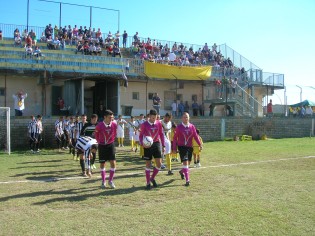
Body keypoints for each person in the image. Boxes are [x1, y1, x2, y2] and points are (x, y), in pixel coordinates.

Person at [172, 112, 202, 186]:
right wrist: (174, 148)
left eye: (187, 117)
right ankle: (187, 180)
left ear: (189, 118)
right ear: (182, 118)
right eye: (184, 117)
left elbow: (195, 136)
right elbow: (175, 138)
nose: (186, 118)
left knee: (188, 163)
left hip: (189, 147)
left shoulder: (192, 126)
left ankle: (182, 172)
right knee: (185, 162)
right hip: (182, 147)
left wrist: (200, 144)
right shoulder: (179, 127)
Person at [139, 109, 165, 190]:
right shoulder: (144, 125)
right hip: (147, 146)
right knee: (148, 164)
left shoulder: (159, 123)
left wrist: (163, 145)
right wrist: (142, 144)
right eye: (153, 117)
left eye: (155, 117)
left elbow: (161, 134)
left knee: (159, 164)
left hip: (156, 144)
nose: (154, 119)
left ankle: (152, 178)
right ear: (149, 116)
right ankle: (147, 183)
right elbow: (140, 136)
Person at [95, 109, 118, 189]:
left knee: (113, 163)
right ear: (104, 117)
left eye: (112, 117)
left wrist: (111, 140)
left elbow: (115, 133)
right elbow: (96, 135)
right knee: (102, 164)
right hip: (102, 146)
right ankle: (103, 181)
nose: (111, 119)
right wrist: (100, 142)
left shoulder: (114, 124)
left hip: (111, 145)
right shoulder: (99, 125)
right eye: (109, 117)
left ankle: (110, 181)